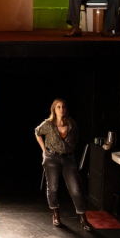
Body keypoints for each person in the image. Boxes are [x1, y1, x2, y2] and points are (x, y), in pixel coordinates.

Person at [34, 99, 92, 231]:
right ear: (54, 109)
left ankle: (83, 218)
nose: (61, 109)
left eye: (63, 107)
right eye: (59, 107)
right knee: (53, 187)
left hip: (68, 159)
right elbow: (37, 132)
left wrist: (69, 150)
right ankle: (55, 214)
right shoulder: (48, 124)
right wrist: (44, 150)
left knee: (75, 188)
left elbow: (75, 139)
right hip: (52, 158)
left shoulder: (72, 124)